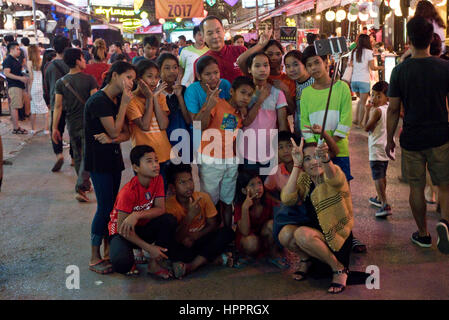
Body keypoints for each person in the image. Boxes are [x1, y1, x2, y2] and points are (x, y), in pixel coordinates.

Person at [386, 16, 449, 254]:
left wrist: (390, 138)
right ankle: (445, 222)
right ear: (431, 39)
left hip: (412, 137)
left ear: (409, 40)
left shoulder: (400, 71)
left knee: (416, 186)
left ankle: (423, 234)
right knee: (445, 185)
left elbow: (393, 108)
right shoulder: (445, 67)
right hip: (441, 135)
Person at [300, 45, 367, 254]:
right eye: (309, 64)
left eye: (316, 62)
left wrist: (330, 145)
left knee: (342, 194)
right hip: (316, 156)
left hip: (339, 152)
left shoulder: (341, 89)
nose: (313, 68)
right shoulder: (306, 94)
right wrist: (314, 148)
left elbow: (345, 122)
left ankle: (349, 236)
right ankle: (327, 235)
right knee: (322, 194)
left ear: (327, 62)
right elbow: (304, 124)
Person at [280, 139, 354, 294]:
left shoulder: (334, 174)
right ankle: (306, 261)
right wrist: (296, 165)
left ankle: (339, 269)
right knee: (285, 234)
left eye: (317, 156)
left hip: (337, 241)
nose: (314, 162)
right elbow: (287, 198)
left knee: (302, 234)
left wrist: (325, 159)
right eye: (307, 159)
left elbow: (335, 178)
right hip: (315, 241)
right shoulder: (305, 179)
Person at [84, 61, 135, 274]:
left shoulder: (113, 100)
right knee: (104, 208)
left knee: (112, 207)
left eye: (133, 79)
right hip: (99, 162)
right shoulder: (99, 101)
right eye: (128, 77)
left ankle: (108, 252)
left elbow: (126, 134)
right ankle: (94, 257)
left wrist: (114, 139)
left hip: (113, 160)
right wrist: (124, 104)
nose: (131, 83)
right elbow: (116, 132)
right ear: (115, 76)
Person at [108, 145, 178, 276]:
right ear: (136, 168)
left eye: (156, 160)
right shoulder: (127, 192)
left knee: (169, 220)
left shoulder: (158, 179)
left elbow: (160, 209)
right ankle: (128, 254)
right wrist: (149, 248)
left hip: (141, 226)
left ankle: (153, 265)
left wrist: (136, 215)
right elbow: (123, 230)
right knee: (121, 263)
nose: (155, 165)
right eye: (149, 161)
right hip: (121, 231)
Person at [267, 129, 339, 249]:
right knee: (283, 215)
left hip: (310, 213)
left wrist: (323, 133)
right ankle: (303, 258)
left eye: (289, 146)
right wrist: (279, 202)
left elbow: (334, 153)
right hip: (291, 214)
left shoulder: (308, 166)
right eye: (280, 147)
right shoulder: (275, 171)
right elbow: (269, 192)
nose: (285, 151)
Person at [196, 76, 253, 228]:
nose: (246, 98)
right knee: (210, 203)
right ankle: (212, 236)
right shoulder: (217, 103)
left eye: (249, 95)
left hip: (230, 161)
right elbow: (199, 125)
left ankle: (227, 235)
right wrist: (209, 106)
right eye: (243, 93)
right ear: (232, 91)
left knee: (228, 200)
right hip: (210, 159)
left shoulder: (239, 112)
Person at [165, 163, 235, 279]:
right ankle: (210, 259)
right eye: (183, 182)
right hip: (183, 244)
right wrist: (190, 216)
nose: (189, 186)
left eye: (190, 180)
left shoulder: (202, 197)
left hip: (200, 239)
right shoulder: (169, 206)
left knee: (227, 232)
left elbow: (213, 224)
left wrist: (196, 236)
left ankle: (191, 266)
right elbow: (176, 237)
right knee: (174, 252)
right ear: (173, 187)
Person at [53, 48, 98, 202]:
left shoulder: (61, 82)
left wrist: (54, 128)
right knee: (88, 155)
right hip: (88, 124)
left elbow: (58, 107)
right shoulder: (90, 79)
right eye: (83, 59)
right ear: (78, 61)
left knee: (78, 155)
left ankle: (84, 185)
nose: (85, 61)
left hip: (71, 124)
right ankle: (80, 187)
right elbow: (94, 104)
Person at [238, 52, 288, 176]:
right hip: (247, 150)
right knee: (250, 185)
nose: (262, 69)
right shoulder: (244, 93)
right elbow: (245, 121)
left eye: (266, 65)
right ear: (249, 69)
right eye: (257, 66)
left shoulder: (277, 93)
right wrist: (260, 99)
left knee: (268, 187)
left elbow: (282, 124)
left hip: (269, 151)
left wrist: (281, 150)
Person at [126, 59, 171, 184]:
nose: (154, 81)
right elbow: (144, 125)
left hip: (163, 154)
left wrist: (154, 98)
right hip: (143, 158)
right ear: (138, 79)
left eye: (157, 77)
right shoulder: (131, 100)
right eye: (149, 76)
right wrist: (150, 99)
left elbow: (163, 124)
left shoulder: (160, 97)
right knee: (146, 196)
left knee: (162, 193)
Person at [234, 169, 289, 268]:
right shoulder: (240, 205)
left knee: (273, 225)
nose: (258, 188)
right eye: (252, 185)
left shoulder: (268, 201)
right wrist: (245, 208)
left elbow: (278, 225)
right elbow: (245, 232)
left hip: (263, 237)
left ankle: (273, 254)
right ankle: (248, 256)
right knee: (251, 243)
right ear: (243, 190)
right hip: (248, 239)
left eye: (259, 183)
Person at [361, 81, 392, 218]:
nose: (374, 99)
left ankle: (384, 203)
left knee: (377, 176)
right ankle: (380, 198)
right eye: (372, 95)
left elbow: (366, 127)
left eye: (378, 96)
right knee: (382, 174)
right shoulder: (389, 108)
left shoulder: (377, 111)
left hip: (376, 147)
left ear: (387, 97)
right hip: (386, 147)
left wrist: (367, 111)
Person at [184, 55, 232, 132]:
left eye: (216, 72)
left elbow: (231, 114)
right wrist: (208, 103)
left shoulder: (225, 85)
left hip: (221, 132)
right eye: (207, 74)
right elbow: (196, 126)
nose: (213, 77)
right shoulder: (192, 90)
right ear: (199, 76)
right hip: (199, 135)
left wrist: (225, 137)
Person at [156, 53, 192, 156]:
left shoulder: (184, 90)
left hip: (183, 142)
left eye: (175, 67)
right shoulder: (155, 93)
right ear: (159, 70)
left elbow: (188, 120)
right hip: (162, 143)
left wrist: (179, 96)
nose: (172, 71)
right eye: (167, 68)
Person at [45, 35, 71, 172]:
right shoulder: (72, 64)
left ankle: (59, 154)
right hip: (73, 104)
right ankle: (74, 158)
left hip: (56, 103)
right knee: (74, 131)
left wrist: (48, 101)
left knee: (55, 130)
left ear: (54, 48)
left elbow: (46, 86)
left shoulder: (49, 66)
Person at [196, 16, 247, 83]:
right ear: (203, 37)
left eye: (218, 31)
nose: (215, 36)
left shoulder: (241, 51)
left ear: (223, 31)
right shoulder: (199, 62)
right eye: (210, 33)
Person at [349, 34, 384, 127]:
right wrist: (381, 67)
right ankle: (360, 123)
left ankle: (356, 120)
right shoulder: (369, 52)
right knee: (362, 103)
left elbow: (350, 65)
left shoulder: (353, 52)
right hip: (363, 80)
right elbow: (372, 67)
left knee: (360, 101)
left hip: (354, 81)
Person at [284, 50, 315, 136]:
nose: (291, 69)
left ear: (304, 64)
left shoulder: (315, 82)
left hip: (315, 134)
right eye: (287, 66)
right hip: (299, 134)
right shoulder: (291, 84)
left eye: (296, 65)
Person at [2, 42, 28, 134]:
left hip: (19, 85)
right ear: (11, 50)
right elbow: (6, 73)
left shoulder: (14, 59)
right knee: (15, 107)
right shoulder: (8, 60)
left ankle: (17, 127)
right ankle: (16, 128)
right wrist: (20, 78)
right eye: (17, 49)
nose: (19, 51)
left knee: (17, 106)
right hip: (14, 86)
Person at [27, 44, 49, 135]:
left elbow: (31, 78)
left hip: (35, 86)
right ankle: (46, 129)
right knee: (45, 109)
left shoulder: (29, 62)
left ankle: (33, 129)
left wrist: (29, 90)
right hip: (42, 85)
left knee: (33, 109)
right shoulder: (42, 60)